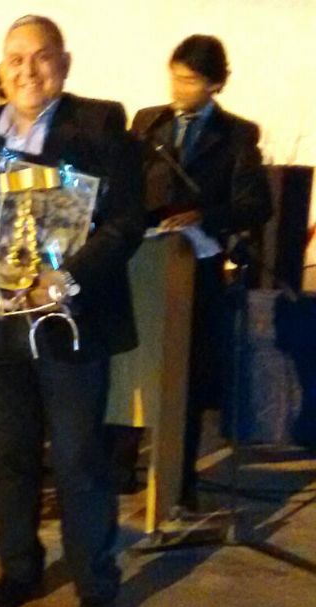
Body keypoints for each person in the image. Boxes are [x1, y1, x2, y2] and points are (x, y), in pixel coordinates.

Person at [0, 15, 144, 607]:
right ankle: (20, 571)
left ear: (64, 62)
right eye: (15, 59)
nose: (28, 70)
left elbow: (126, 222)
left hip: (68, 321)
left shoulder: (101, 125)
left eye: (41, 57)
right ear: (1, 70)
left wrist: (69, 277)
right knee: (8, 455)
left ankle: (95, 588)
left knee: (80, 458)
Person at [131, 34, 272, 511]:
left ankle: (179, 477)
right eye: (174, 77)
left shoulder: (237, 136)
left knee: (185, 378)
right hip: (144, 261)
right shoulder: (149, 123)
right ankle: (121, 467)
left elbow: (256, 204)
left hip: (196, 269)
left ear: (214, 84)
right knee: (132, 365)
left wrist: (204, 216)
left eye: (189, 81)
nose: (178, 88)